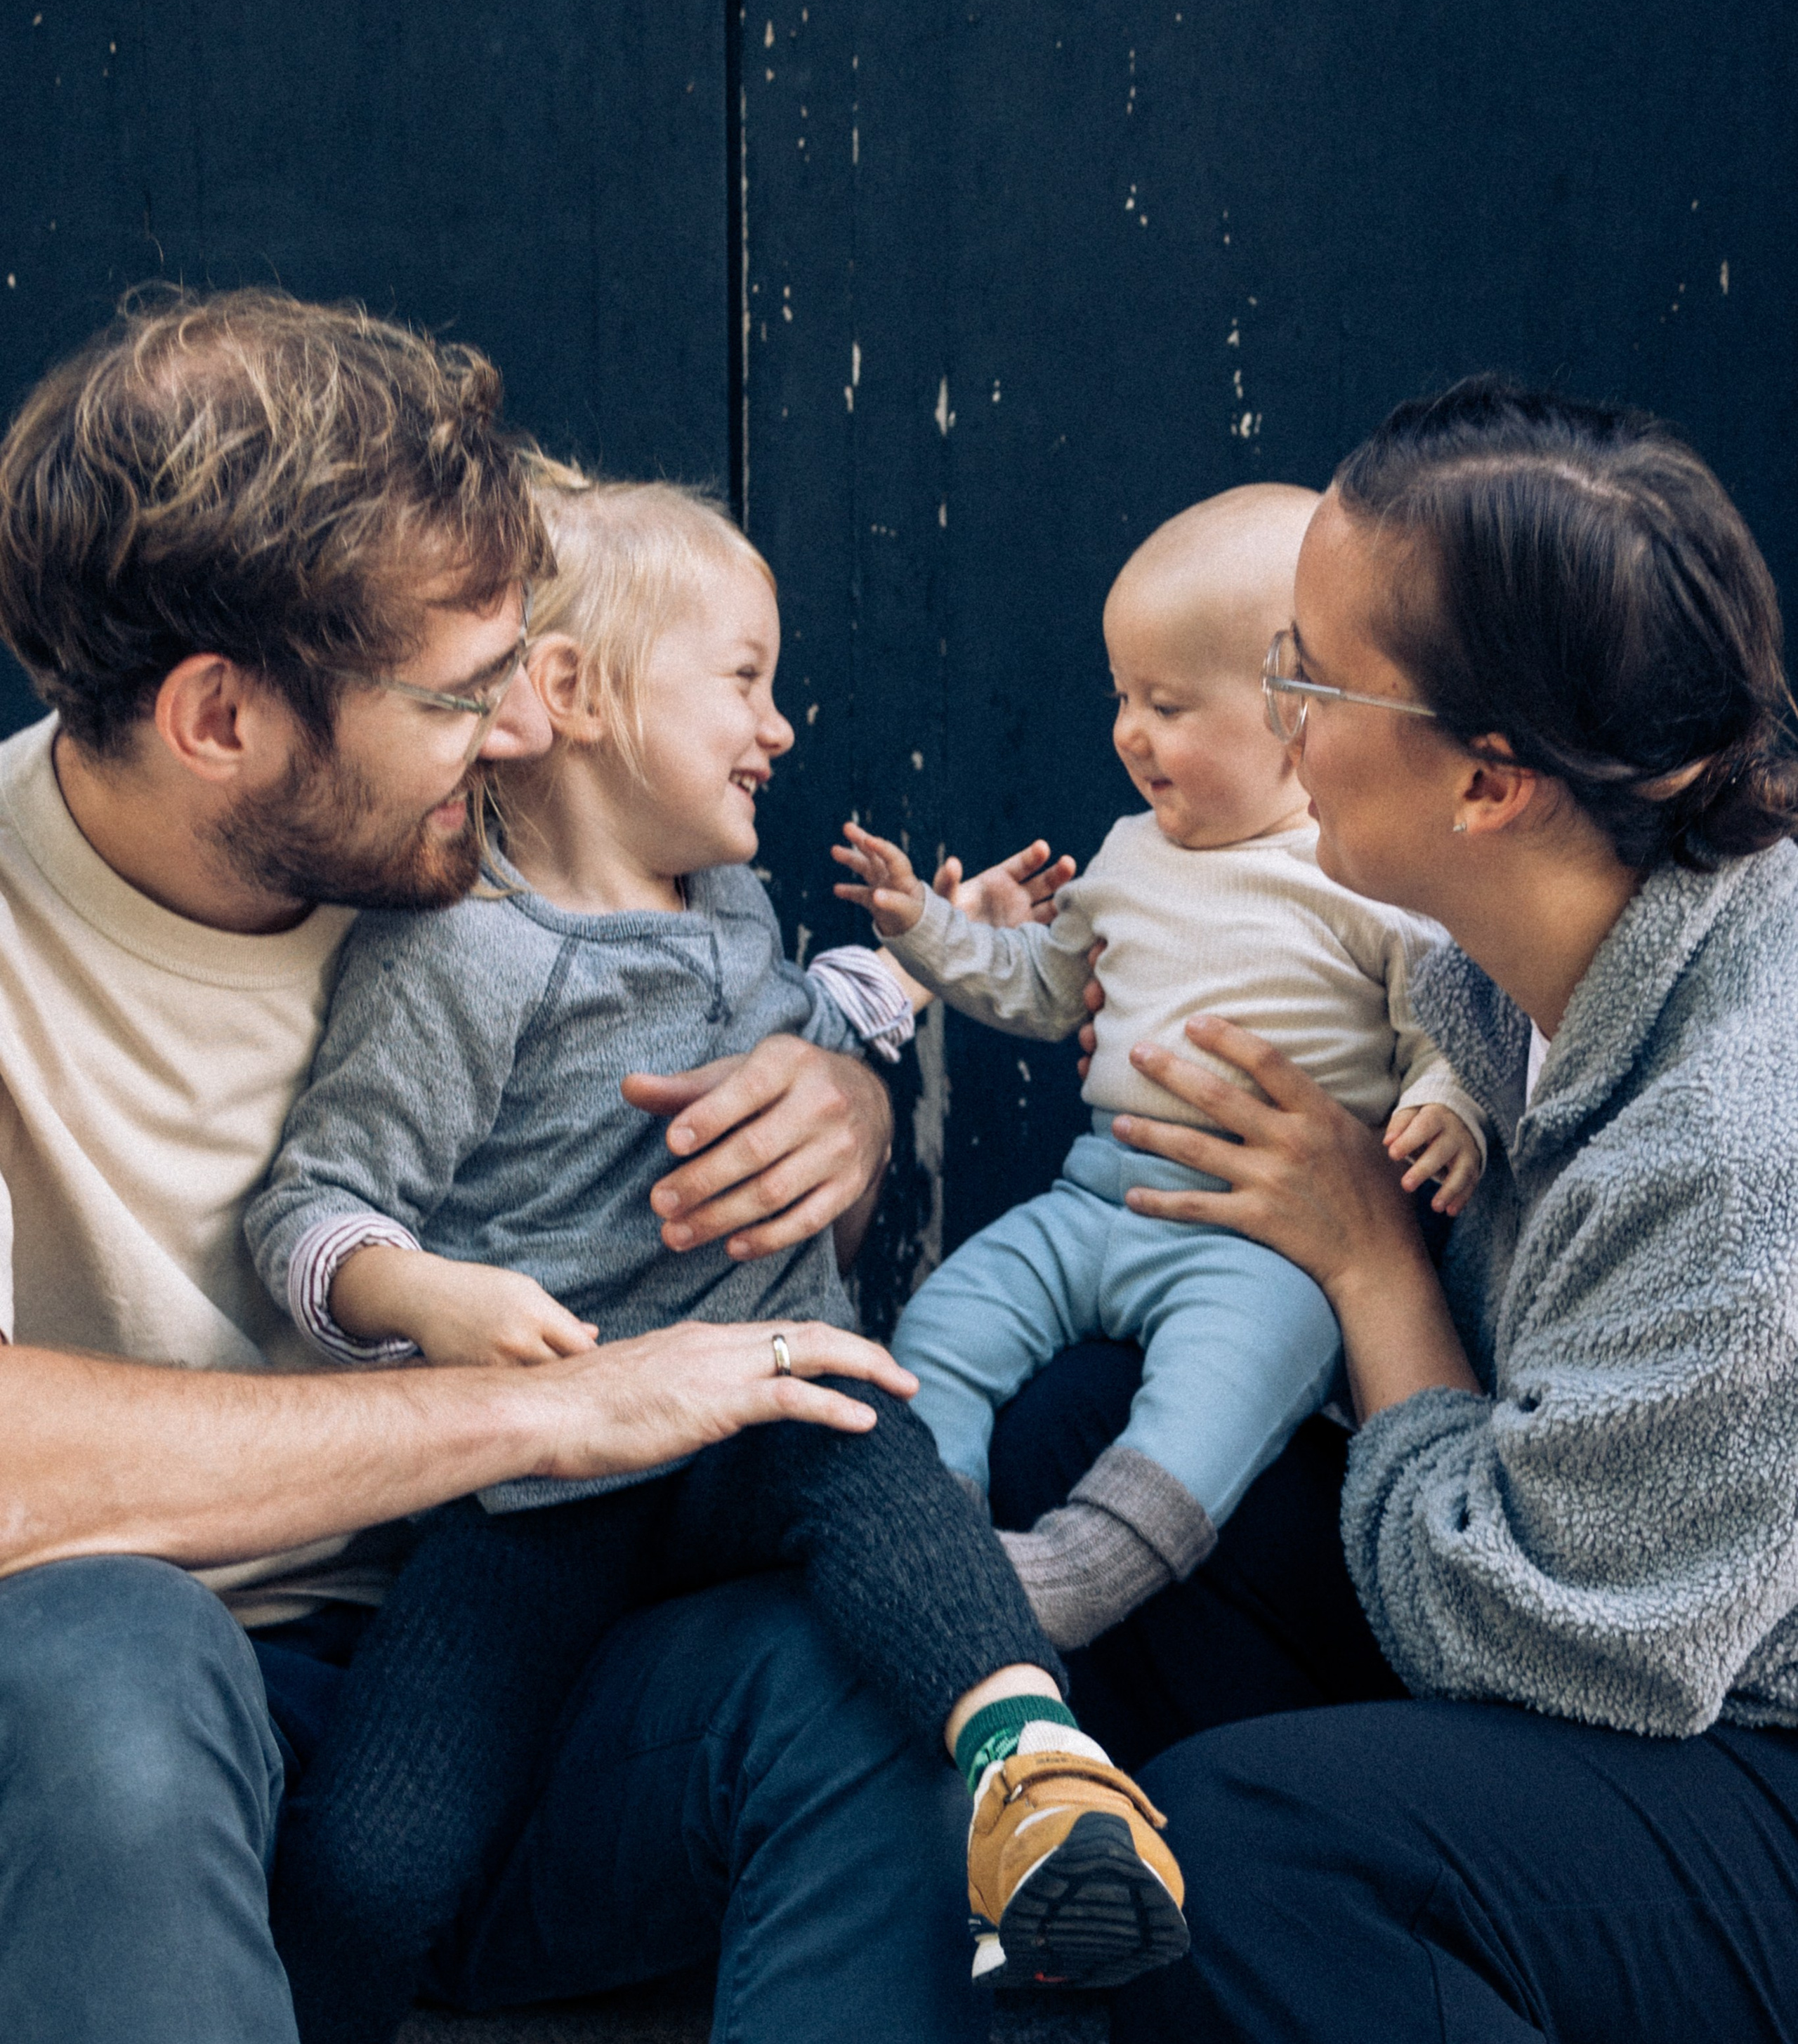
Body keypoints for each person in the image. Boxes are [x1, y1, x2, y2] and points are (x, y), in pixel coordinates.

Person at [0, 289, 995, 2044]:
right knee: (113, 1660)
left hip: (505, 1655)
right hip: (125, 1727)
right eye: (464, 696)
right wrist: (541, 1410)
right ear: (220, 718)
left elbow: (731, 1102)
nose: (529, 734)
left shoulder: (510, 861)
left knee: (874, 1669)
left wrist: (830, 1108)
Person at [245, 468, 1188, 2038]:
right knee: (370, 1863)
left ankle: (1039, 1773)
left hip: (757, 1411)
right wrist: (430, 1296)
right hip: (536, 1478)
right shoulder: (462, 954)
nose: (780, 727)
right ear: (570, 695)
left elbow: (811, 1021)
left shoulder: (732, 900)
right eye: (742, 680)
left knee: (866, 1437)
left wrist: (939, 954)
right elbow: (312, 1207)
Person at [989, 378, 1798, 2040]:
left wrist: (1373, 1262)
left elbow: (1561, 1649)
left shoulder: (1731, 1147)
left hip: (1725, 1733)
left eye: (1303, 674)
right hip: (1584, 1596)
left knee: (1239, 1864)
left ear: (1487, 784)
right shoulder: (1510, 964)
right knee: (1087, 1430)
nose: (1271, 715)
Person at [835, 484, 1485, 1650]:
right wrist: (925, 932)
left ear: (1295, 714)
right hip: (1095, 1199)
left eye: (1168, 705)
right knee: (944, 1328)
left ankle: (1084, 1570)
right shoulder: (1129, 856)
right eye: (1122, 698)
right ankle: (933, 1537)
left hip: (1264, 1243)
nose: (1130, 733)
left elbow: (1443, 1031)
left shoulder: (1359, 881)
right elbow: (1044, 988)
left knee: (1212, 1401)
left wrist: (1446, 1106)